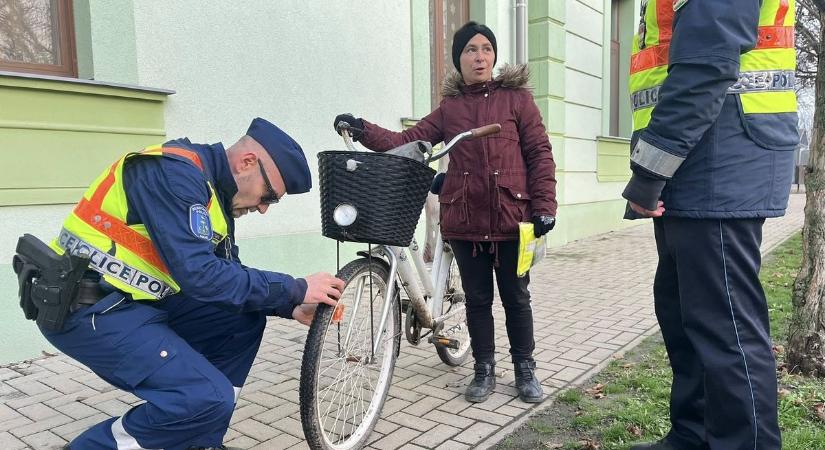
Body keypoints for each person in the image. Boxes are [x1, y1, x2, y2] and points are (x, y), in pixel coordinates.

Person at [22, 117, 344, 450]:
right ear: (248, 163)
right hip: (85, 307)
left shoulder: (211, 191)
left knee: (241, 322)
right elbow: (201, 276)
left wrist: (288, 303)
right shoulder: (172, 173)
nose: (263, 208)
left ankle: (199, 440)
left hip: (131, 301)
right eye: (270, 196)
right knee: (204, 398)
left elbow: (225, 274)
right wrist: (295, 287)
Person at [333, 21, 557, 404]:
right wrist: (363, 129)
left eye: (486, 48)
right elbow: (407, 141)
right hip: (465, 221)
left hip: (511, 219)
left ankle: (525, 370)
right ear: (459, 59)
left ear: (494, 56)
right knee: (478, 300)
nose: (480, 56)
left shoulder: (517, 100)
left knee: (517, 299)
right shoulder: (451, 108)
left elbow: (539, 153)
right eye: (470, 49)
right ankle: (483, 369)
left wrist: (544, 205)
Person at [622, 0, 797, 449]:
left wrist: (649, 172)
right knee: (685, 317)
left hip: (719, 162)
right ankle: (693, 435)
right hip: (699, 163)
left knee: (725, 329)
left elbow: (705, 68)